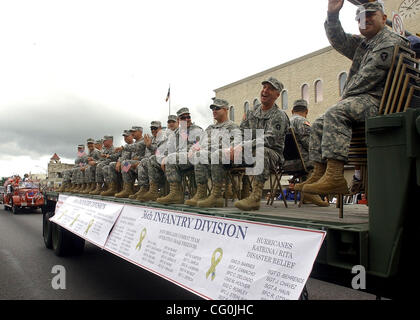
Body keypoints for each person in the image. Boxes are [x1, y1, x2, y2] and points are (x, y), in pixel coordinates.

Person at [296, 0, 410, 196]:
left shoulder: (390, 40)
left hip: (380, 102)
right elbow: (339, 40)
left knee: (335, 112)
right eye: (360, 19)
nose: (364, 21)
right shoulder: (365, 44)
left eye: (369, 16)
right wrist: (332, 15)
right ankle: (320, 172)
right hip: (362, 101)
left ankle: (335, 177)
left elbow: (370, 76)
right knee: (319, 123)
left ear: (384, 18)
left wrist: (344, 97)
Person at [228, 77, 289, 211]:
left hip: (272, 154)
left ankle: (255, 197)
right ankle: (215, 194)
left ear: (277, 95)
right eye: (264, 87)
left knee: (261, 151)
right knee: (220, 153)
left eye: (270, 89)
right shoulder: (251, 113)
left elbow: (270, 139)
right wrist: (233, 147)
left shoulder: (279, 115)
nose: (265, 91)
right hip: (250, 152)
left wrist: (243, 146)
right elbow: (241, 133)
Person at [183, 98, 241, 207]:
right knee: (199, 154)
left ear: (225, 110)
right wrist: (192, 149)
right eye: (213, 109)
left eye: (217, 108)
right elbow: (199, 143)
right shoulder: (210, 128)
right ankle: (201, 193)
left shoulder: (232, 126)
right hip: (208, 156)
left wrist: (229, 149)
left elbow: (237, 143)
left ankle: (217, 196)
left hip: (225, 157)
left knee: (211, 155)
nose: (214, 111)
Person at [154, 107, 203, 204]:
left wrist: (195, 147)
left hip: (192, 157)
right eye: (183, 118)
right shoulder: (176, 133)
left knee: (171, 158)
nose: (187, 119)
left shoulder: (196, 130)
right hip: (179, 159)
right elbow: (168, 148)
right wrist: (164, 157)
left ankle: (175, 194)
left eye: (188, 117)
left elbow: (201, 143)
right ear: (179, 120)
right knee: (149, 160)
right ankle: (151, 190)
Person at [100, 130, 134, 196]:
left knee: (125, 164)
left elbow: (134, 157)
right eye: (124, 137)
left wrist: (121, 162)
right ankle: (113, 188)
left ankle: (127, 189)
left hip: (130, 164)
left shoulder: (135, 145)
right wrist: (118, 161)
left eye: (127, 136)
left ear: (132, 136)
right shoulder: (124, 147)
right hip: (122, 163)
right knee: (110, 165)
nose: (125, 138)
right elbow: (119, 156)